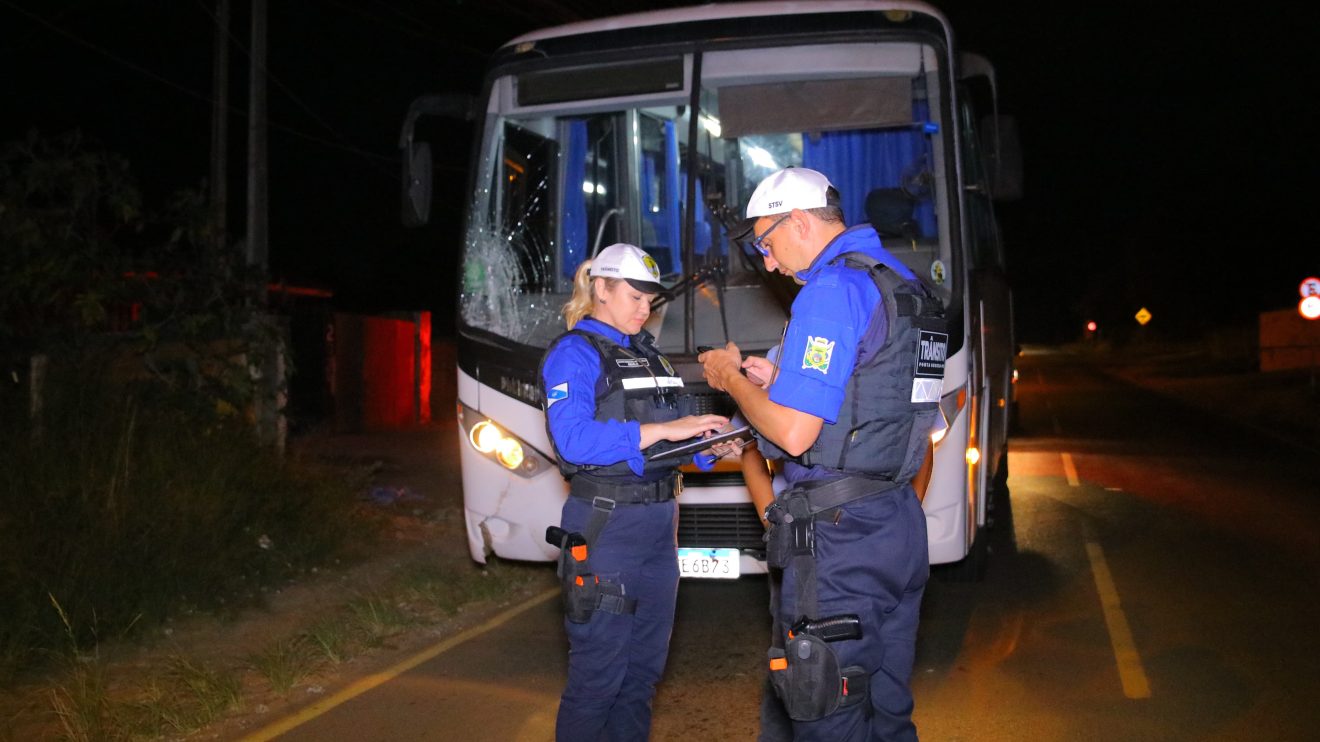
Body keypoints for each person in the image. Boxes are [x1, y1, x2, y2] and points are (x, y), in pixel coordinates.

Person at [700, 168, 945, 741]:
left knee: (824, 716)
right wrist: (782, 376)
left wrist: (733, 380)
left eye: (767, 241)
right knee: (887, 715)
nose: (768, 261)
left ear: (801, 222)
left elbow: (792, 435)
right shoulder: (905, 287)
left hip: (842, 541)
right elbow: (877, 400)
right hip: (899, 525)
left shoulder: (830, 290)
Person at [540, 242, 729, 741]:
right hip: (607, 531)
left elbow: (669, 437)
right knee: (597, 682)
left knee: (641, 678)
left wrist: (708, 446)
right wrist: (664, 431)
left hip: (658, 533)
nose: (644, 309)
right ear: (600, 288)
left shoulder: (648, 355)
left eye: (650, 300)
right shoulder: (574, 354)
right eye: (634, 296)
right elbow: (574, 440)